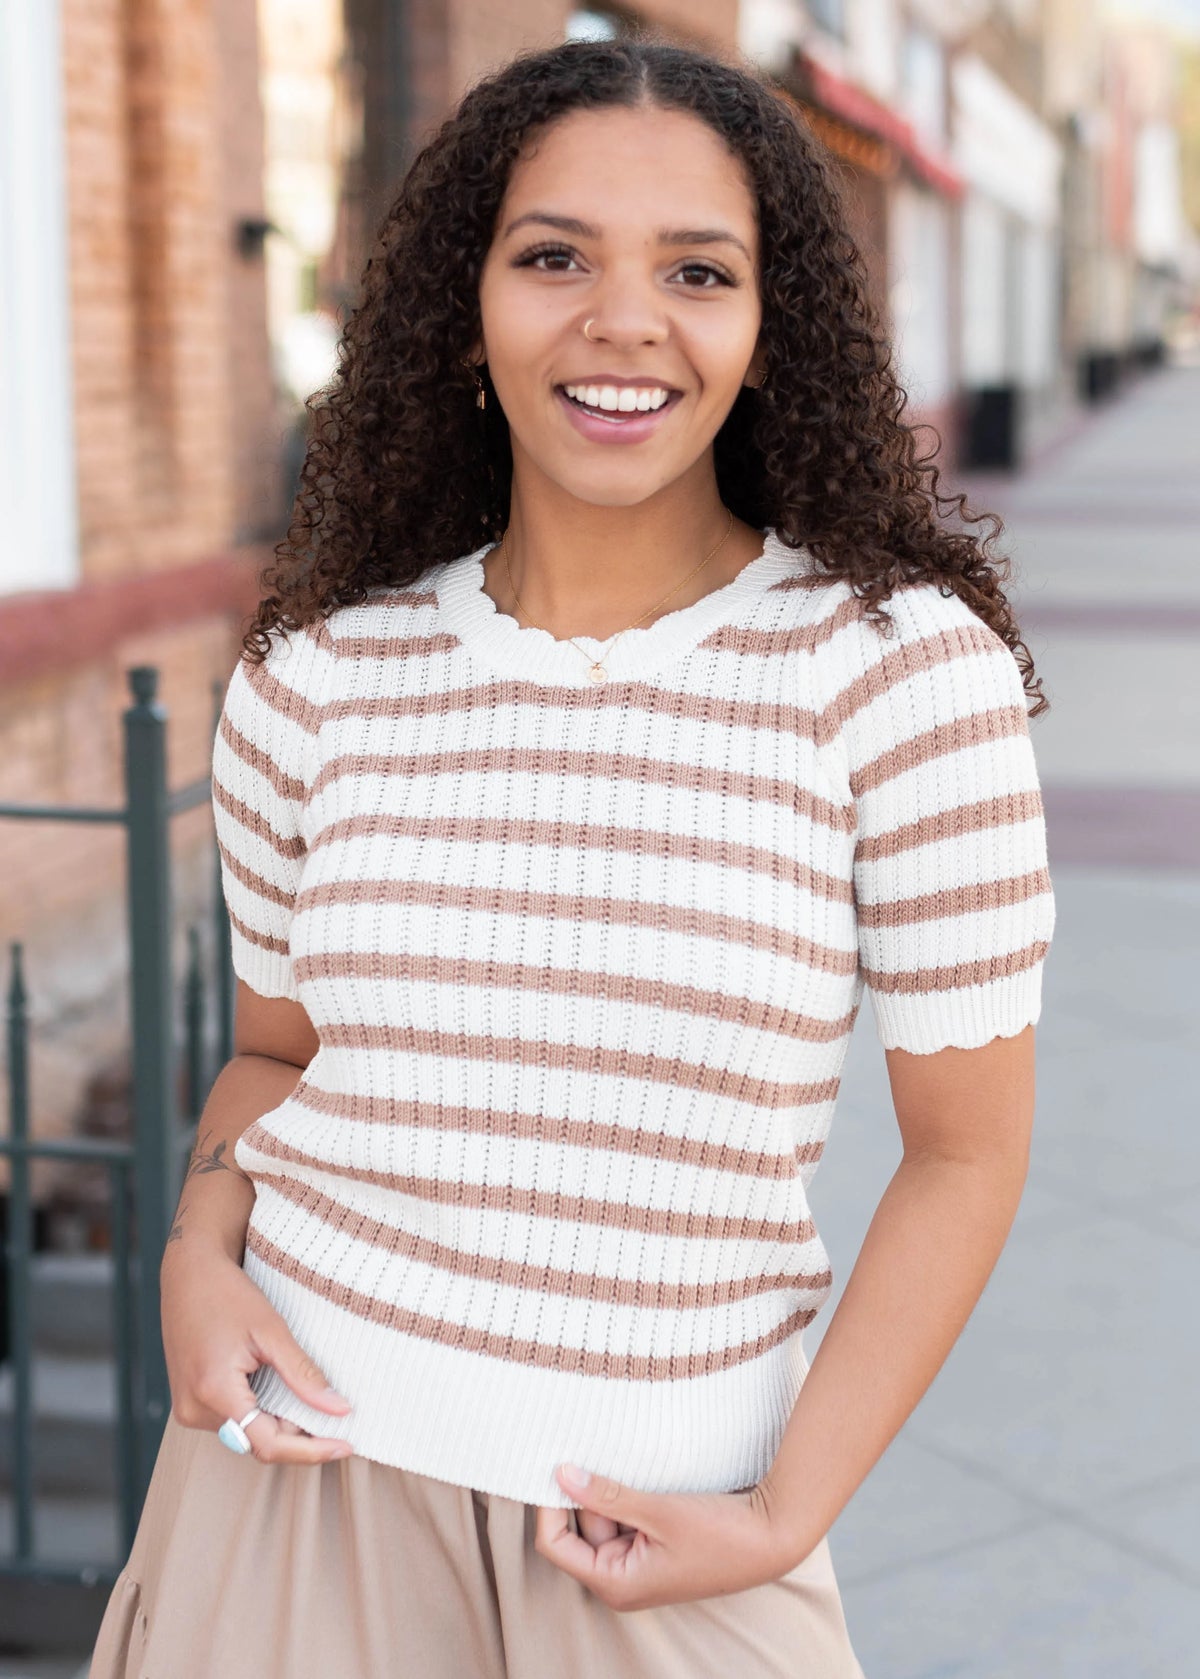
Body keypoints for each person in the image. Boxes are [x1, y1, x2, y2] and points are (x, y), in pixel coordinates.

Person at [89, 32, 1055, 1679]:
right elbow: (274, 1055)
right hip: (291, 1490)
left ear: (770, 328)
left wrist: (786, 1514)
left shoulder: (898, 672)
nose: (624, 322)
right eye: (555, 259)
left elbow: (963, 1157)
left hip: (665, 1536)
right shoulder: (317, 675)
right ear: (467, 301)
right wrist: (198, 1247)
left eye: (697, 269)